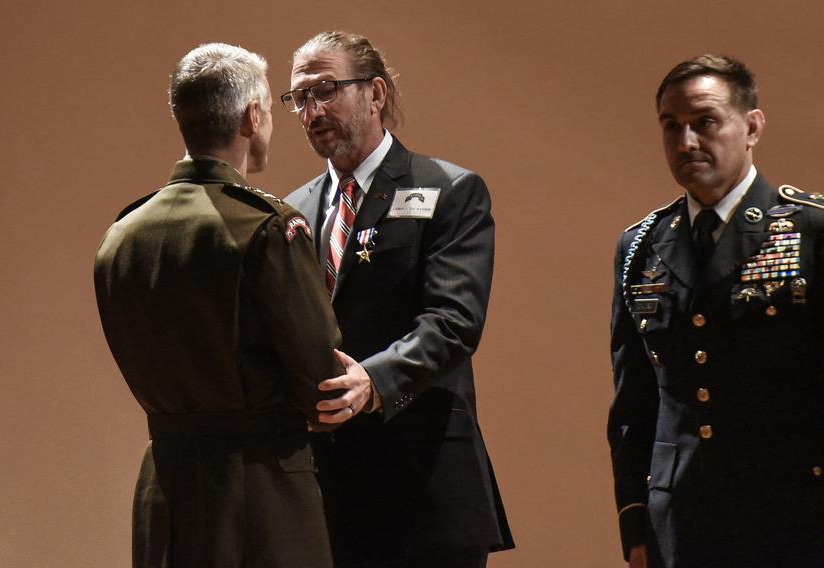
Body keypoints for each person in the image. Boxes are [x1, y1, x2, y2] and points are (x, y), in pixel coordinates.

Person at [608, 54, 824, 568]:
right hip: (680, 524)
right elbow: (633, 403)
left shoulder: (818, 231)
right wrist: (636, 519)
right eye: (672, 126)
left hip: (798, 515)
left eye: (705, 122)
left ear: (751, 127)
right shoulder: (641, 246)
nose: (686, 142)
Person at [94, 43, 343, 568]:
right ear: (252, 117)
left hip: (164, 487)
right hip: (261, 489)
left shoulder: (122, 235)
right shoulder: (266, 227)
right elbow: (322, 380)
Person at [281, 30, 514, 568]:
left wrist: (373, 381)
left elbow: (454, 322)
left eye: (326, 89)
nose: (311, 109)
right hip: (329, 495)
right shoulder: (291, 212)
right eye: (299, 97)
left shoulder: (448, 190)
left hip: (424, 486)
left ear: (376, 94)